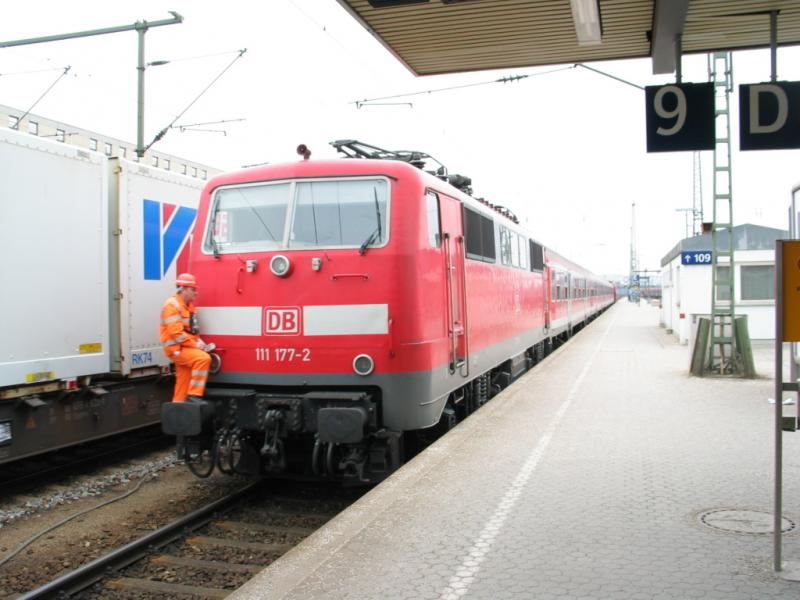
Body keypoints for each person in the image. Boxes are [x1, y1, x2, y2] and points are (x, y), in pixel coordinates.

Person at [160, 273, 213, 403]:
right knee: (203, 358)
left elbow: (191, 331)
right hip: (176, 349)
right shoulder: (171, 305)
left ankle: (177, 414)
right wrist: (196, 345)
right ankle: (194, 395)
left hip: (183, 348)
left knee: (182, 387)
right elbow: (176, 333)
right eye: (193, 289)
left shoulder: (188, 306)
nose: (196, 293)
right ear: (183, 289)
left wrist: (199, 342)